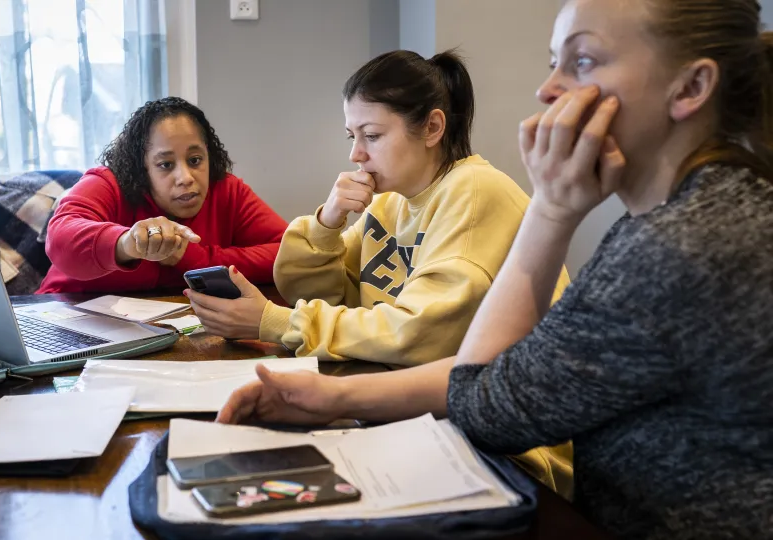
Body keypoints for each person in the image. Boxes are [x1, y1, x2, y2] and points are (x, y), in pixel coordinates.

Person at [216, 1, 773, 539]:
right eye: (552, 60)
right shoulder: (681, 220)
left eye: (581, 61)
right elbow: (490, 381)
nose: (548, 89)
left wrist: (553, 207)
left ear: (692, 88)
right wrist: (326, 392)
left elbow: (487, 405)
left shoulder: (682, 247)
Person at [187, 50, 574, 498]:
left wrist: (273, 323)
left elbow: (417, 334)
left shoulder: (473, 192)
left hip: (508, 447)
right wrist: (328, 224)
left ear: (432, 128)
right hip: (420, 408)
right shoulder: (393, 200)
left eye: (372, 135)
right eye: (352, 135)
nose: (356, 153)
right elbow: (313, 293)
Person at [37, 97, 287, 294]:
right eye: (166, 165)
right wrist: (128, 242)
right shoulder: (107, 183)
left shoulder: (227, 190)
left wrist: (196, 258)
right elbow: (60, 238)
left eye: (195, 160)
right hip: (63, 321)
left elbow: (292, 254)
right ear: (142, 167)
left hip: (165, 335)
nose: (186, 177)